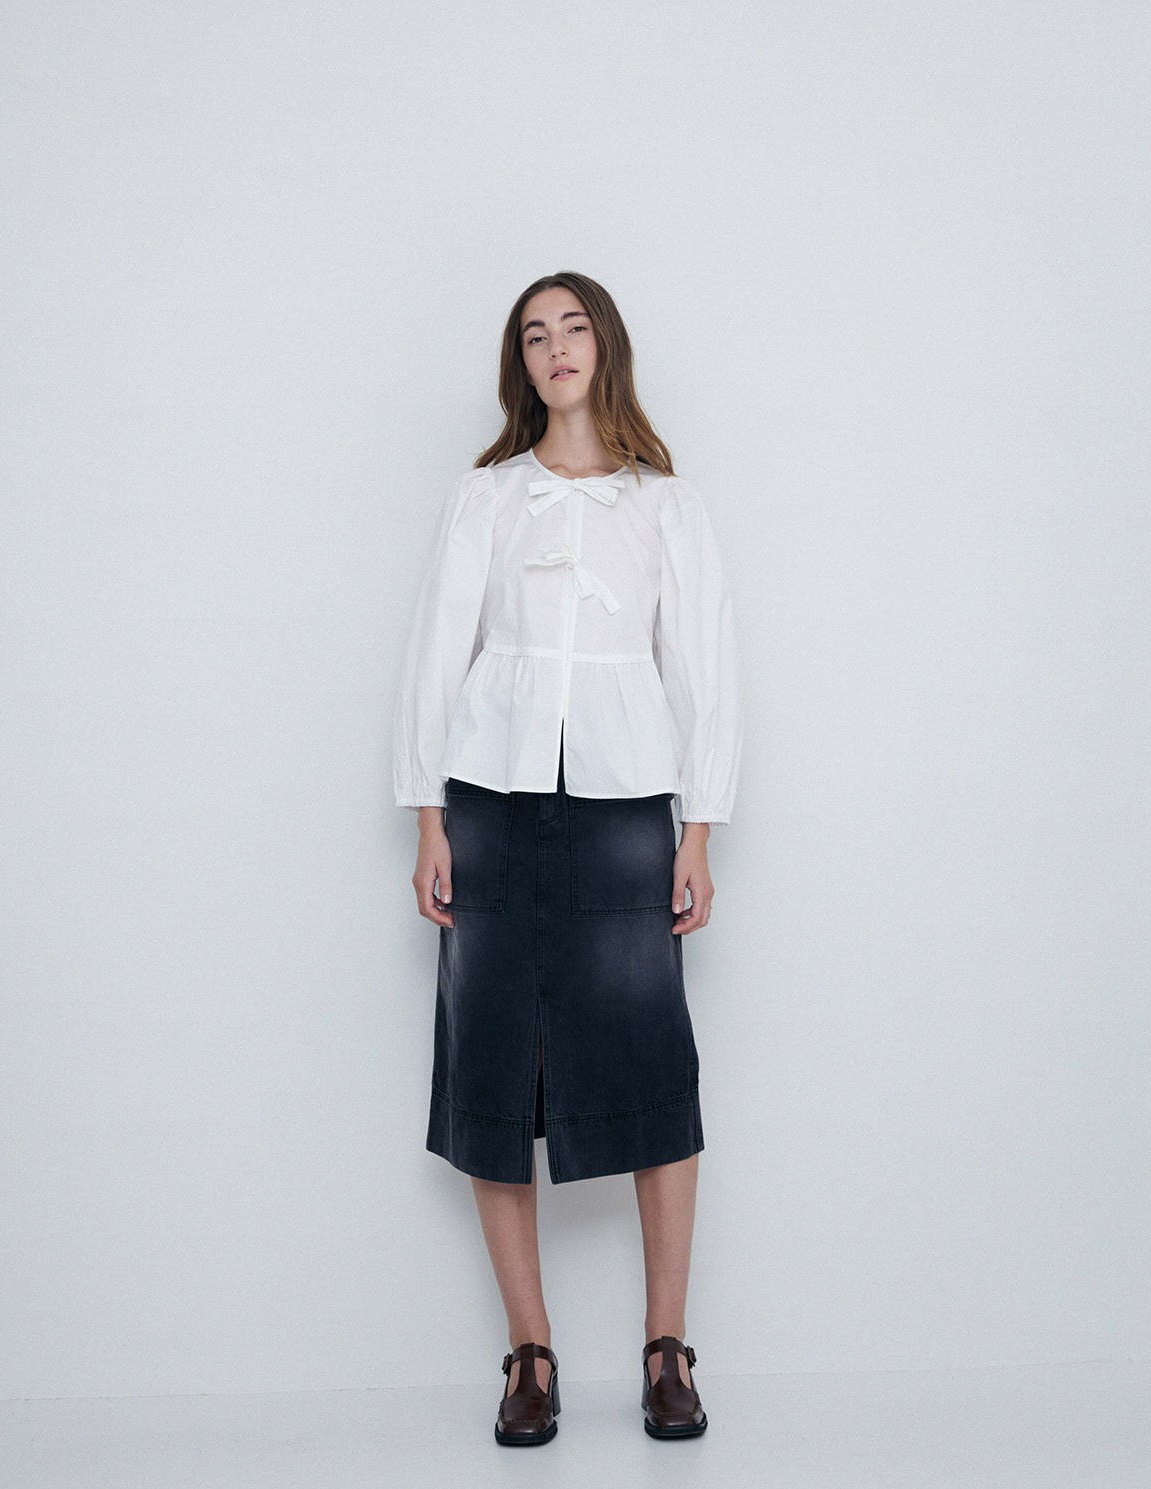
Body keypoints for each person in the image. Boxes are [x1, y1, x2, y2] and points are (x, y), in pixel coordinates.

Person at [393, 271, 742, 1445]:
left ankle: (667, 1346)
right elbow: (436, 651)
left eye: (573, 327)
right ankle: (530, 1352)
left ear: (606, 346)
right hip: (488, 803)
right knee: (491, 1061)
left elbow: (705, 667)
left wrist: (699, 830)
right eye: (534, 335)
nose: (556, 349)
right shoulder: (486, 497)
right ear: (522, 364)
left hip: (626, 805)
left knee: (654, 1059)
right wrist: (427, 816)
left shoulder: (666, 506)